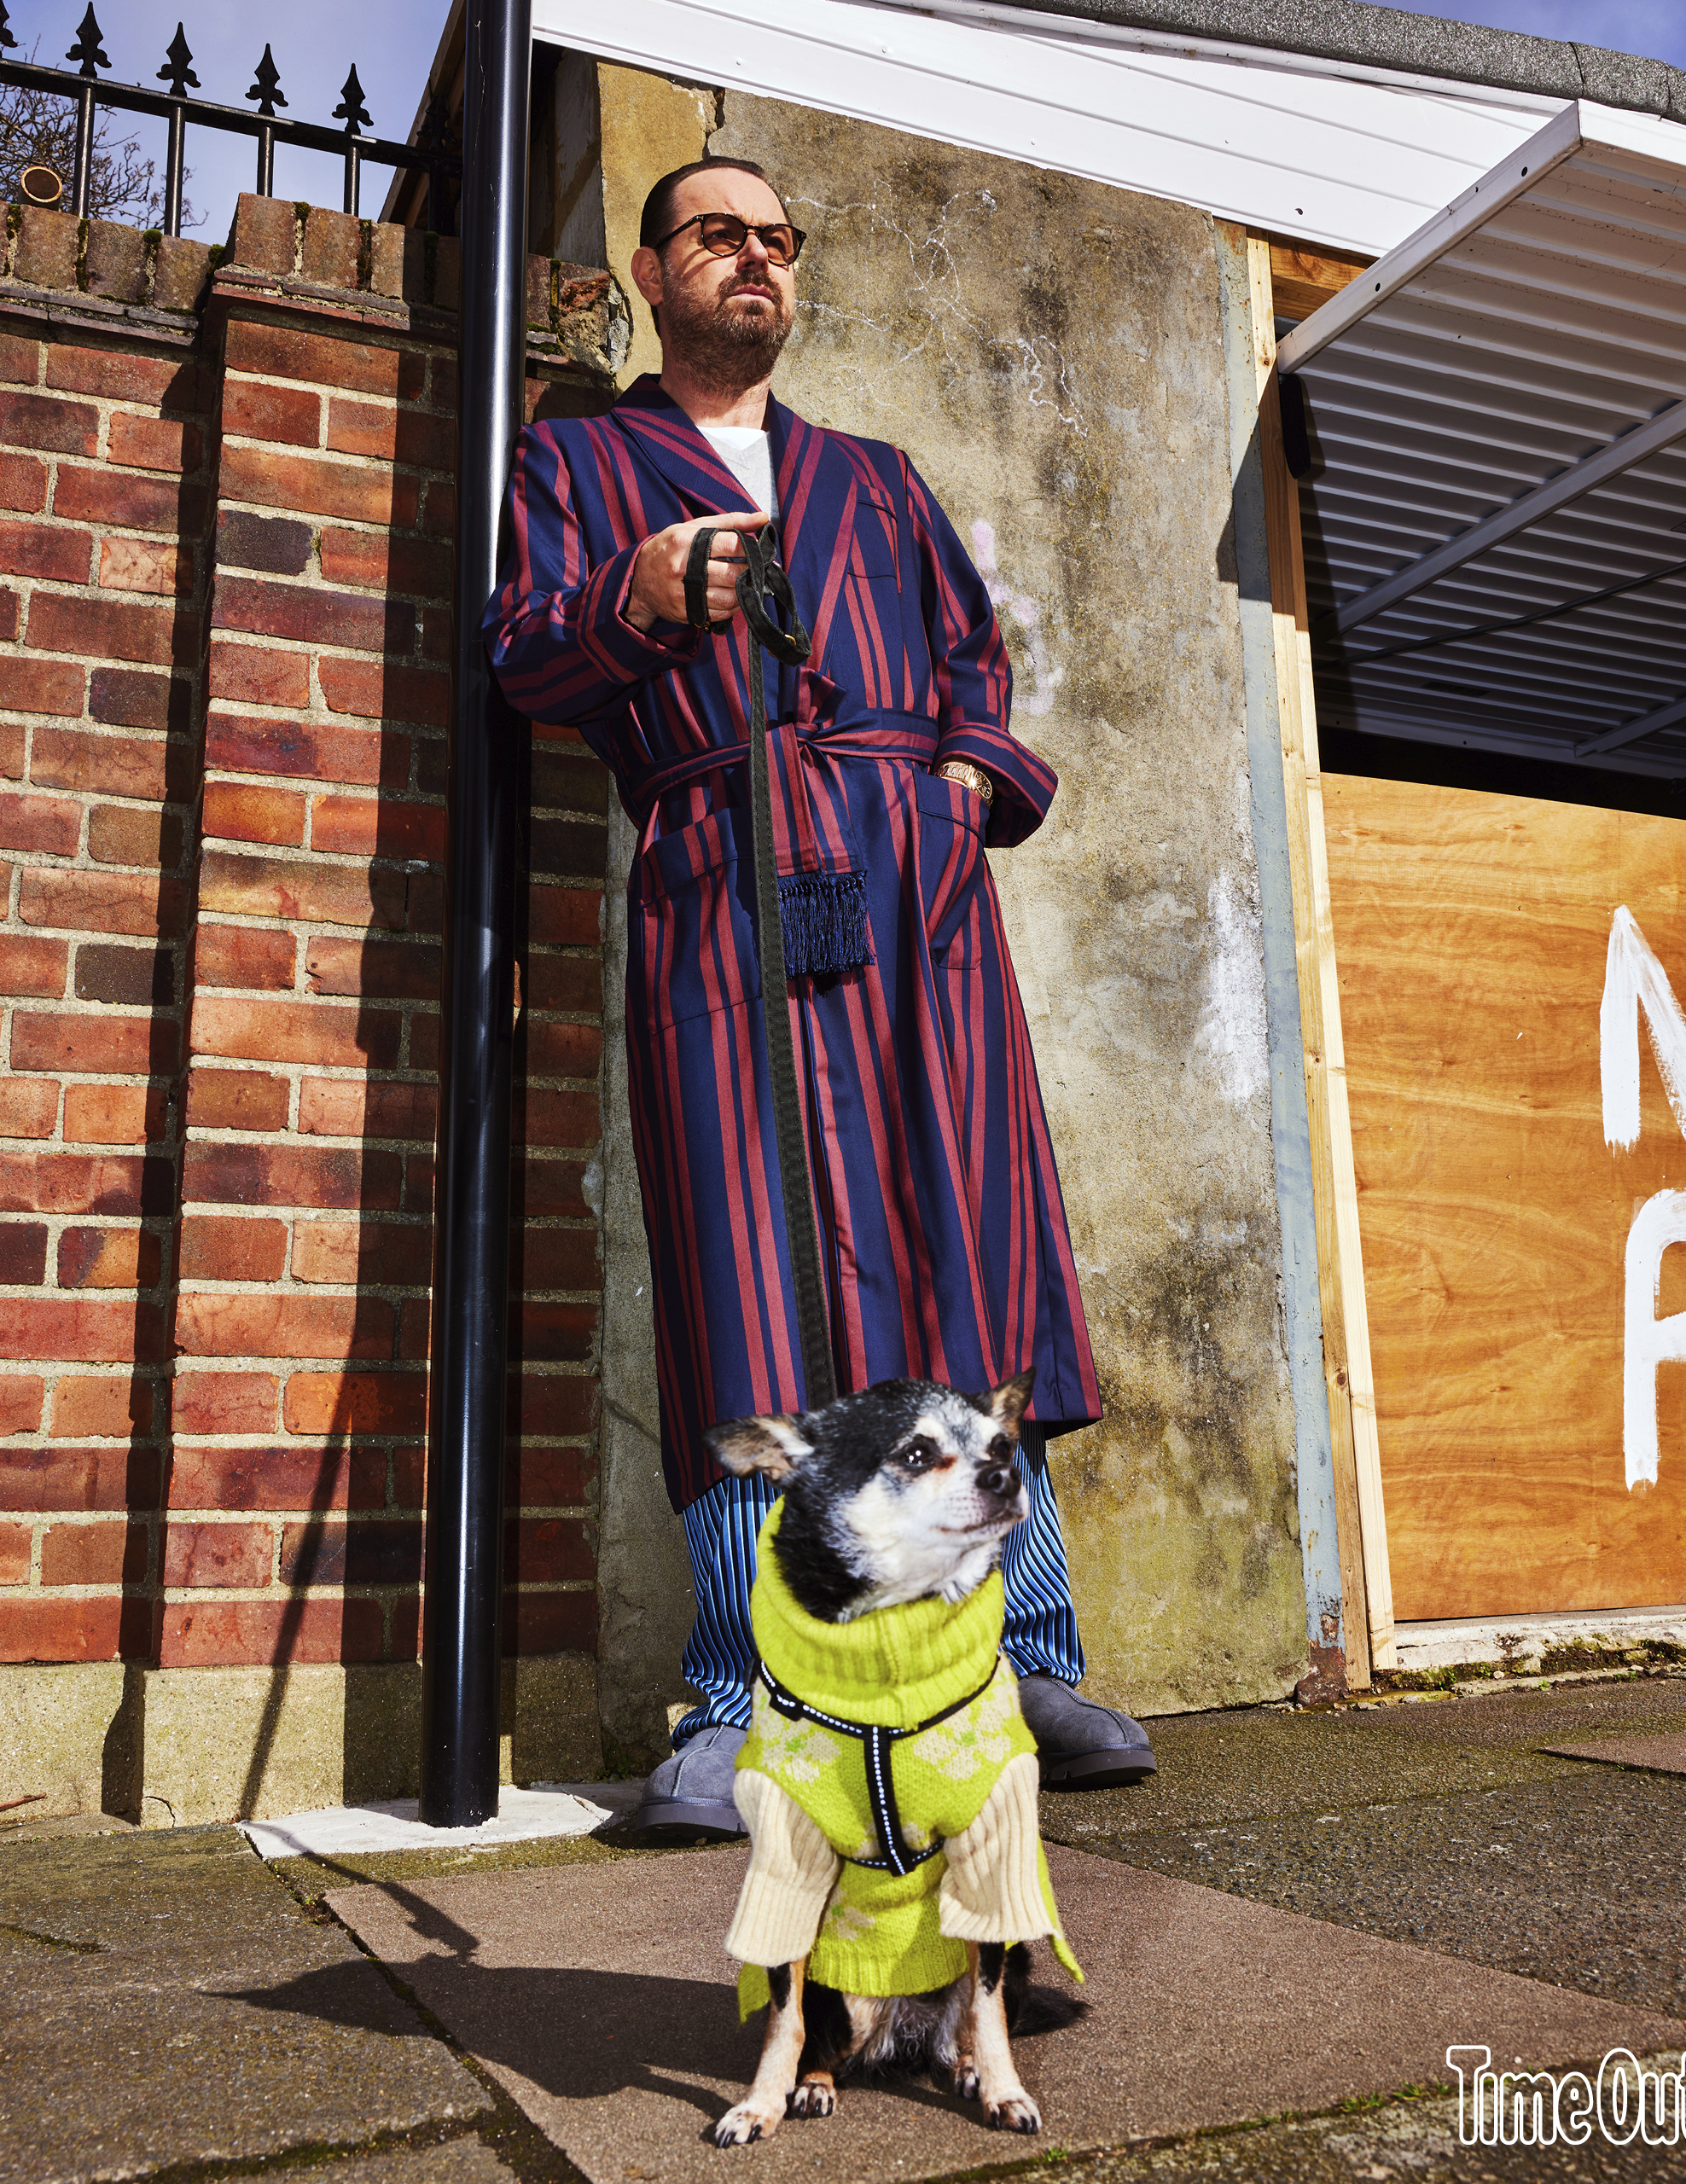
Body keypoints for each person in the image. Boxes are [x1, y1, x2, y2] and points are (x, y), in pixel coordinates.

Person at [485, 156, 1154, 1835]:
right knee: (746, 1285)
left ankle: (1023, 1655)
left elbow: (979, 675)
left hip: (917, 897)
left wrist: (949, 791)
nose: (757, 261)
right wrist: (630, 601)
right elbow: (518, 657)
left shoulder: (878, 479)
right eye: (721, 233)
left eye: (778, 241)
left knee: (959, 1263)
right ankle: (747, 1696)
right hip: (721, 876)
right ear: (650, 267)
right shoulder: (572, 463)